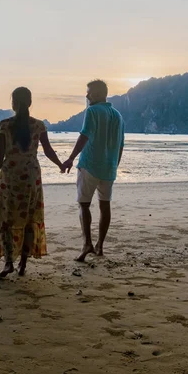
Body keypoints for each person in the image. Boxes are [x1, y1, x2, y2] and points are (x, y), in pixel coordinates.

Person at [0, 87, 63, 277]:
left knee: (7, 219)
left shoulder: (4, 125)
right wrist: (60, 164)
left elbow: (0, 155)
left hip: (10, 177)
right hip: (31, 177)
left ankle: (8, 263)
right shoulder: (38, 126)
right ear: (30, 103)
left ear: (13, 103)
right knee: (29, 219)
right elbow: (48, 151)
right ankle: (22, 264)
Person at [61, 80, 124, 262]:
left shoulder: (92, 111)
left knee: (84, 204)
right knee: (105, 206)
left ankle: (87, 243)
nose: (87, 96)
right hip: (109, 168)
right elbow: (121, 144)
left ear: (97, 94)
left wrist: (71, 158)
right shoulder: (118, 115)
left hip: (90, 165)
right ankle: (100, 246)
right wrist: (114, 165)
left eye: (89, 93)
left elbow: (84, 135)